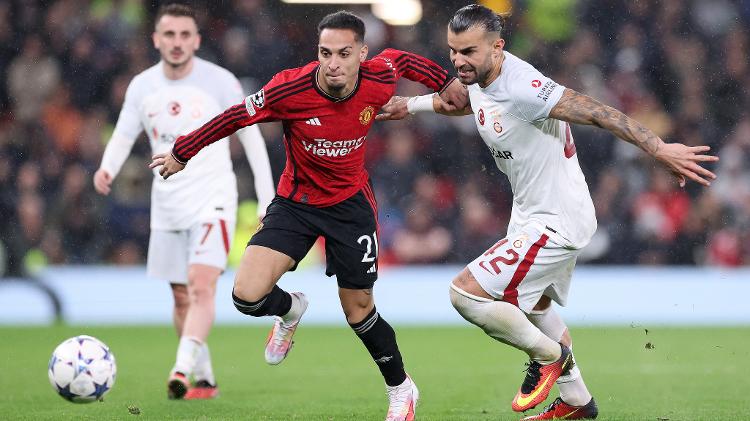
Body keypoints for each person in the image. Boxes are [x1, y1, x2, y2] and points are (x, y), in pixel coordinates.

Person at [376, 4, 718, 420]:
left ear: (498, 48)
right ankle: (578, 403)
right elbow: (465, 102)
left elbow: (596, 111)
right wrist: (410, 106)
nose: (458, 61)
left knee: (465, 294)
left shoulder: (525, 86)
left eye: (468, 51)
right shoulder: (480, 76)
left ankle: (550, 356)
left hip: (557, 220)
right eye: (453, 51)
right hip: (531, 211)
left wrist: (658, 148)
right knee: (535, 306)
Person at [150, 10, 467, 421]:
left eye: (343, 53)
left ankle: (401, 389)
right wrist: (182, 151)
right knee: (246, 297)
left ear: (361, 54)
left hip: (350, 207)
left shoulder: (378, 76)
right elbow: (234, 116)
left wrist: (445, 81)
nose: (333, 63)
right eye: (325, 53)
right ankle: (290, 309)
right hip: (295, 204)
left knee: (358, 312)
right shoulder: (290, 89)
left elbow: (403, 60)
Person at [93, 3, 275, 400]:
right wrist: (107, 167)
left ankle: (180, 368)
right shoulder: (142, 85)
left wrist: (267, 197)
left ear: (197, 40)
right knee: (180, 295)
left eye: (184, 35)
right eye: (169, 35)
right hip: (167, 202)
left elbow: (251, 136)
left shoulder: (221, 81)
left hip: (214, 197)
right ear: (156, 39)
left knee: (201, 284)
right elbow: (125, 133)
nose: (177, 43)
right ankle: (205, 380)